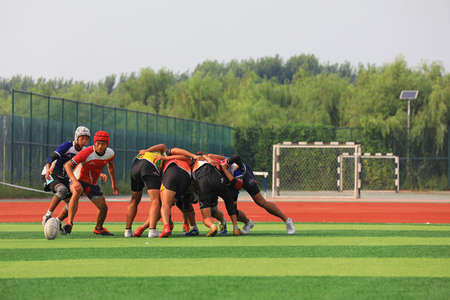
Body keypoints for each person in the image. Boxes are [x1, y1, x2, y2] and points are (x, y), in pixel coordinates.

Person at [214, 154, 295, 235]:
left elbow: (237, 183)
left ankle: (287, 220)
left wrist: (226, 169)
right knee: (233, 209)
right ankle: (248, 223)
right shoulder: (211, 163)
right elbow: (208, 155)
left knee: (261, 201)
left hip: (244, 177)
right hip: (231, 179)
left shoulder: (233, 167)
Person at [175, 149, 243, 237]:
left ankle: (213, 226)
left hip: (204, 184)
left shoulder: (192, 163)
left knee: (207, 216)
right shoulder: (209, 158)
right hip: (218, 179)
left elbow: (180, 156)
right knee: (227, 201)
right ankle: (235, 228)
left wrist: (166, 157)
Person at [63, 130, 119, 235]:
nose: (100, 146)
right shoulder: (86, 152)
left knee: (103, 208)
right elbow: (67, 165)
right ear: (94, 143)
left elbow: (111, 167)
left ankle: (98, 228)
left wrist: (114, 185)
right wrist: (74, 182)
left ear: (107, 144)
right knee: (77, 190)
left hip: (91, 183)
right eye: (97, 143)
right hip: (77, 179)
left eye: (103, 144)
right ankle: (69, 223)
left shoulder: (110, 153)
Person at [40, 126, 91, 233]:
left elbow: (88, 164)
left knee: (72, 203)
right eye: (82, 138)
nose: (84, 141)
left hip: (64, 178)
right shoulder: (67, 146)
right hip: (49, 175)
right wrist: (48, 169)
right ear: (76, 137)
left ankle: (58, 222)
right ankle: (47, 216)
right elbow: (51, 157)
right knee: (62, 190)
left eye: (87, 138)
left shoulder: (85, 151)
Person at [125, 144, 168, 238]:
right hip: (148, 167)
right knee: (156, 200)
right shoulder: (165, 155)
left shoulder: (147, 154)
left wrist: (146, 150)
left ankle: (127, 231)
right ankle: (152, 230)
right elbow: (163, 146)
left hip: (135, 167)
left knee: (134, 199)